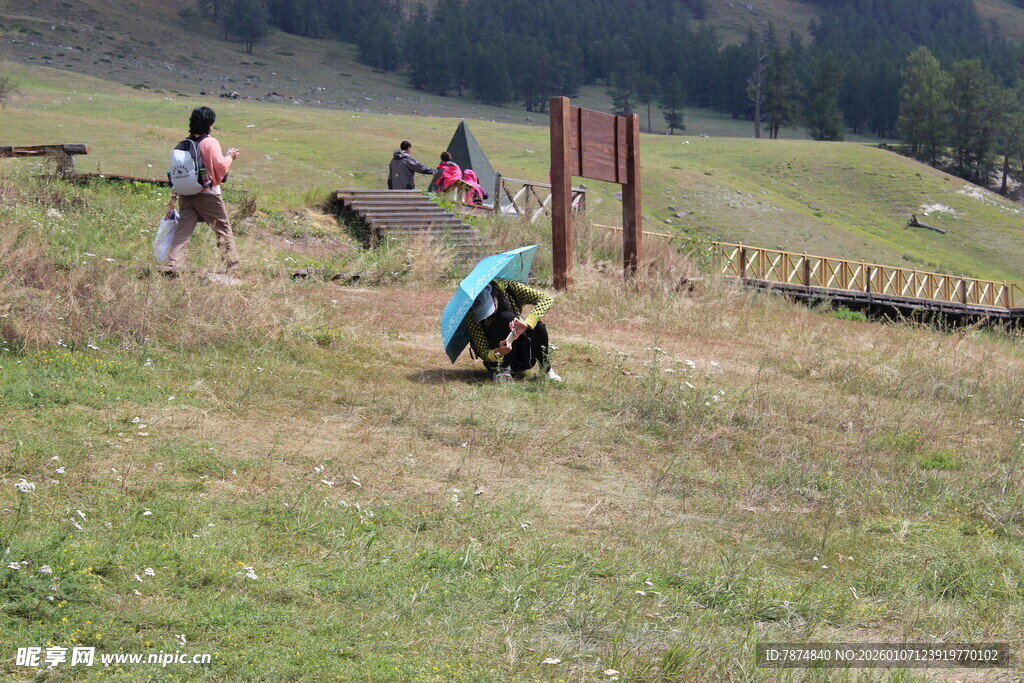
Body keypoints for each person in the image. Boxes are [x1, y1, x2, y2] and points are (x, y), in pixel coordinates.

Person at [166, 106, 240, 276]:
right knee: (222, 228)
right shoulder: (210, 142)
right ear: (208, 124)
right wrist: (230, 156)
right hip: (207, 193)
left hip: (186, 193)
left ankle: (173, 265)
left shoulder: (184, 143)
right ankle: (232, 267)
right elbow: (220, 167)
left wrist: (174, 195)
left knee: (183, 230)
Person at [467, 279, 562, 382]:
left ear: (494, 293)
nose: (489, 314)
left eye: (489, 307)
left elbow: (547, 299)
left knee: (537, 326)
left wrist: (527, 324)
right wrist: (498, 352)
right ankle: (503, 369)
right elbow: (483, 351)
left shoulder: (510, 287)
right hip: (496, 360)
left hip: (522, 355)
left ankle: (546, 369)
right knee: (506, 317)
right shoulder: (471, 314)